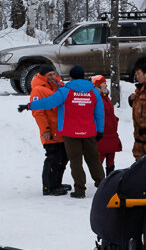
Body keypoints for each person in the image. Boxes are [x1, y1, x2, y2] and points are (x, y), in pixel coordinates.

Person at [20, 65, 104, 198]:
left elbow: (48, 103)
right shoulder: (94, 92)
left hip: (70, 133)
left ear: (71, 77)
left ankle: (80, 190)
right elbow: (100, 113)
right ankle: (103, 185)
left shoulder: (65, 91)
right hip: (89, 131)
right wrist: (100, 130)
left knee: (75, 161)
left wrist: (29, 106)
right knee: (93, 159)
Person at [28, 65, 70, 196]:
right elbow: (38, 112)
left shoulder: (59, 86)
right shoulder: (38, 90)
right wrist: (44, 129)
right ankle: (48, 186)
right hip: (50, 131)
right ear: (43, 76)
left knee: (63, 158)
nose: (52, 77)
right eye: (49, 75)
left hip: (61, 130)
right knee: (53, 158)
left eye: (53, 74)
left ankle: (57, 183)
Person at [92, 75, 122, 173]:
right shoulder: (95, 98)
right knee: (101, 156)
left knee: (111, 157)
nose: (106, 85)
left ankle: (110, 178)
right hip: (102, 132)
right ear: (98, 86)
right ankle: (100, 180)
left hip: (111, 132)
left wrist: (114, 120)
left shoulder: (105, 97)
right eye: (104, 83)